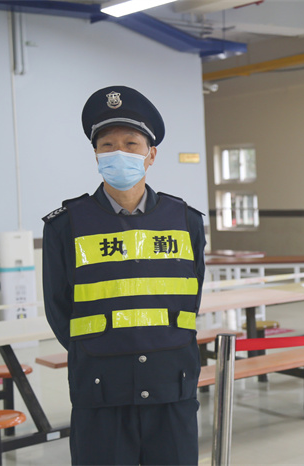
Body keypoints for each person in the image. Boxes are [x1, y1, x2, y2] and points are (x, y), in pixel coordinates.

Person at [42, 85, 205, 465]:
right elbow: (58, 307)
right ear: (96, 155)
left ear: (151, 154)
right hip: (101, 386)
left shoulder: (186, 221)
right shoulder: (65, 226)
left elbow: (189, 297)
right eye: (108, 145)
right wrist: (98, 348)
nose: (119, 153)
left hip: (171, 383)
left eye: (131, 144)